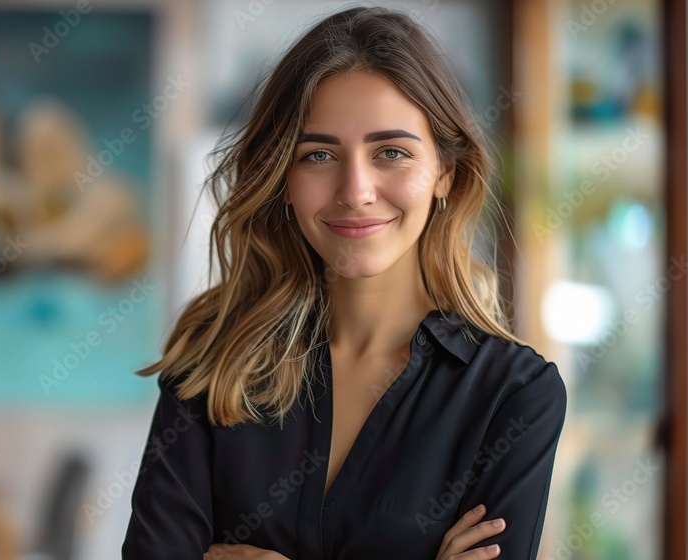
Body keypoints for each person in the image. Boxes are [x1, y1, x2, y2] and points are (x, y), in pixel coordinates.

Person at [122, 6, 566, 560]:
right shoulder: (212, 358)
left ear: (445, 173)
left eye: (392, 152)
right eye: (319, 155)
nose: (355, 190)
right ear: (283, 178)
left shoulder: (514, 396)